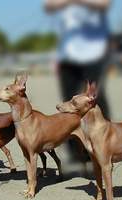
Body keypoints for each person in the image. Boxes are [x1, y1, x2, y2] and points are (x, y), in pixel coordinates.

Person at [44, 0, 111, 164]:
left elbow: (104, 4)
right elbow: (49, 7)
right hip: (67, 55)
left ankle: (105, 145)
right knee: (70, 103)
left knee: (96, 100)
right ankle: (77, 153)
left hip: (94, 53)